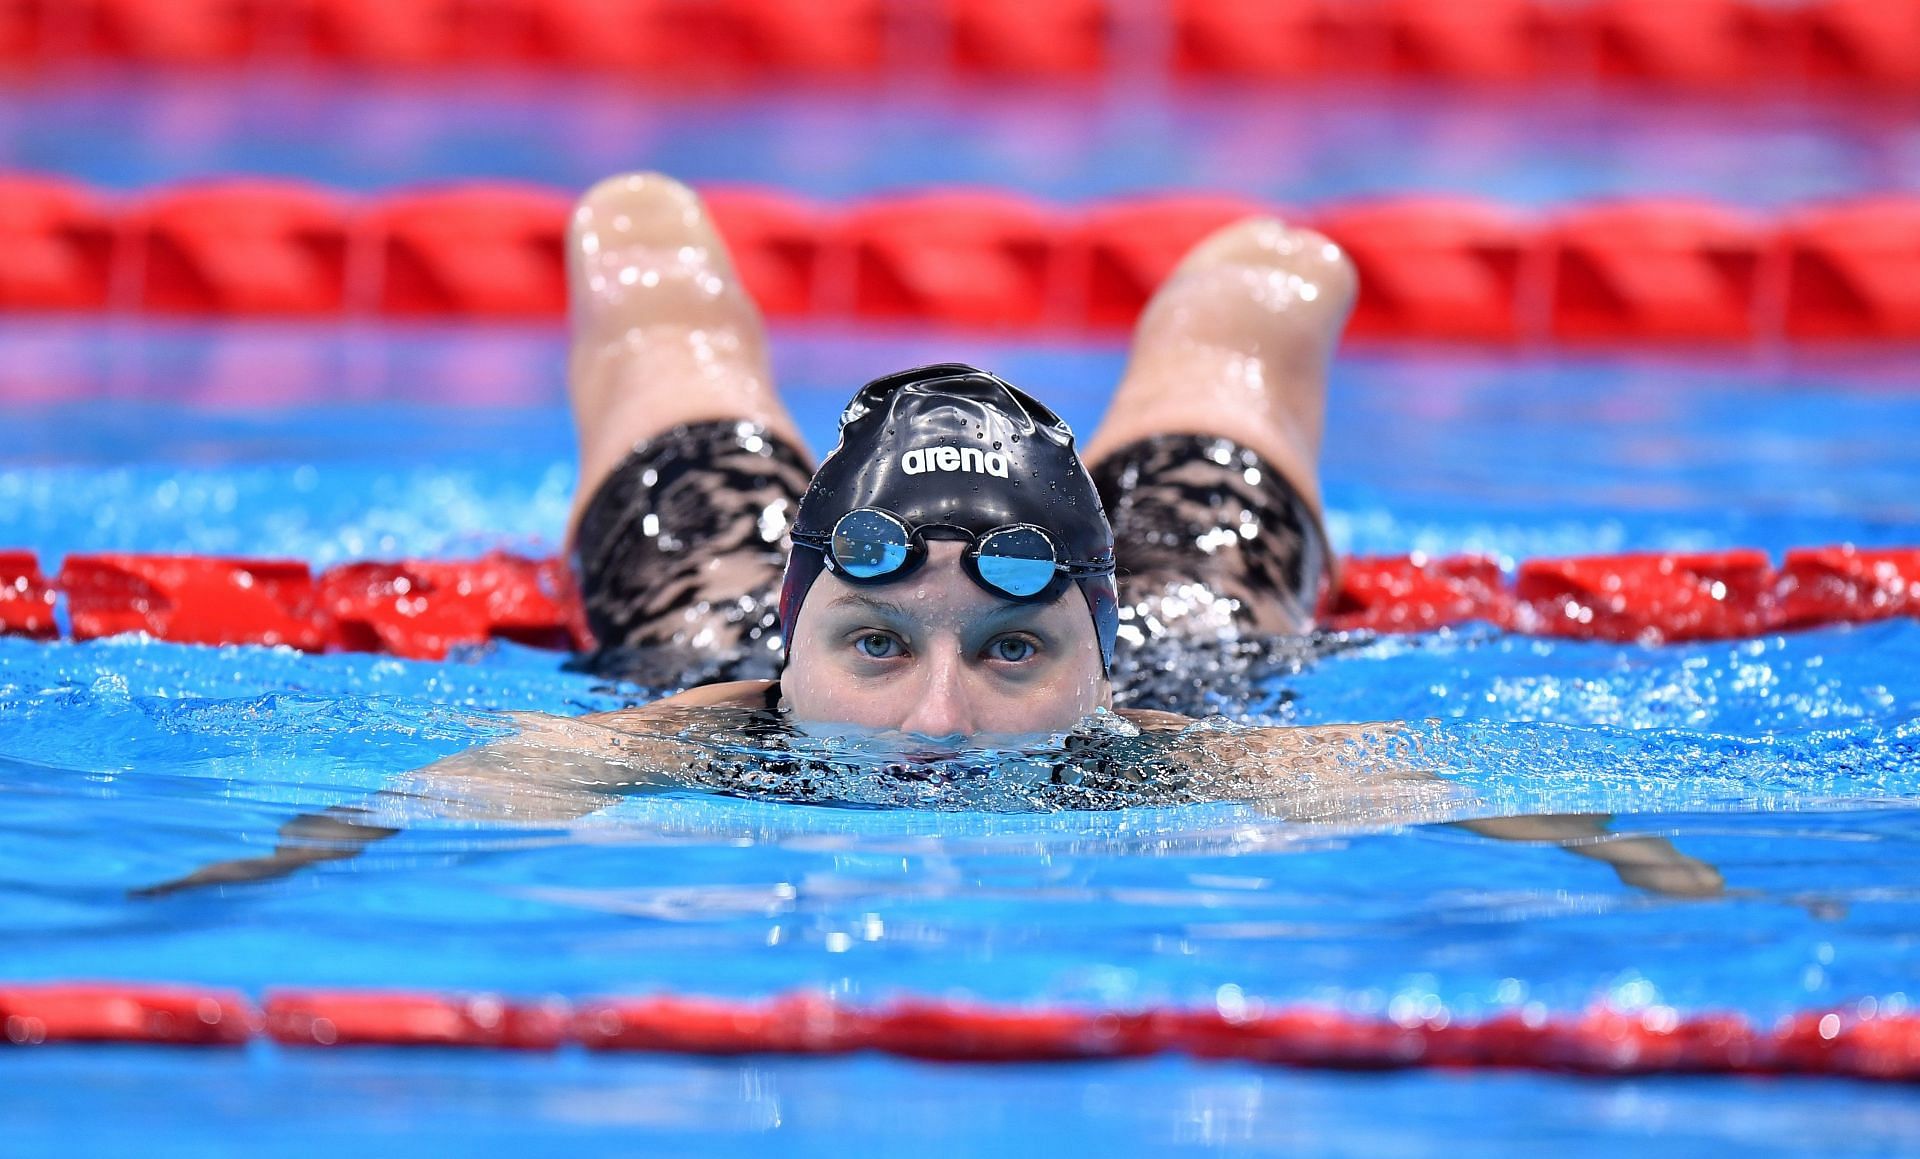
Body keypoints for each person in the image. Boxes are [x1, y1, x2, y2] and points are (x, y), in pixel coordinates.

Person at [140, 173, 1723, 898]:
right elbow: (392, 819)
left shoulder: (1176, 728)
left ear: (1098, 654)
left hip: (1178, 631)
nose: (940, 725)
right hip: (708, 588)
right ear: (791, 629)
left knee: (1269, 285)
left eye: (1016, 647)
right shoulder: (701, 715)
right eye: (877, 643)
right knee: (641, 257)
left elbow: (1485, 804)